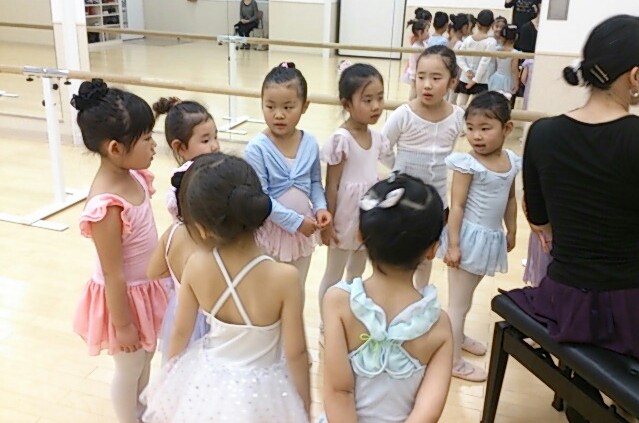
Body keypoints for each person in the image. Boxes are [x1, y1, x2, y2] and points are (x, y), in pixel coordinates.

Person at [505, 12, 639, 363]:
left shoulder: (543, 133)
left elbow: (539, 220)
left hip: (563, 300)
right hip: (629, 308)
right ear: (635, 76)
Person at [141, 153, 310, 423]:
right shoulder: (284, 278)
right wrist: (304, 408)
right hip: (264, 391)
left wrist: (168, 384)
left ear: (202, 228)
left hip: (207, 384)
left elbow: (181, 333)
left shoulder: (197, 267)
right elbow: (296, 353)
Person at [71, 79, 168, 423]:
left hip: (146, 290)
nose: (154, 145)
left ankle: (141, 413)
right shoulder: (107, 205)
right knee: (129, 366)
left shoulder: (135, 175)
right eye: (147, 138)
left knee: (145, 358)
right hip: (123, 299)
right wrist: (123, 325)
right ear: (115, 148)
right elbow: (112, 272)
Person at [321, 173, 453, 423]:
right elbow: (427, 413)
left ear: (360, 235)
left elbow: (339, 392)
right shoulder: (440, 326)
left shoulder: (338, 302)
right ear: (432, 249)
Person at [439, 91, 521, 382]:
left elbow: (510, 199)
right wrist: (454, 245)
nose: (476, 135)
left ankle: (458, 337)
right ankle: (451, 361)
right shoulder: (468, 164)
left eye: (485, 128)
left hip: (489, 239)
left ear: (507, 128)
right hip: (466, 240)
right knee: (458, 303)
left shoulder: (511, 161)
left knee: (467, 297)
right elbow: (457, 206)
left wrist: (512, 229)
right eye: (471, 128)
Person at [244, 62, 331, 297]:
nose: (279, 114)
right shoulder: (256, 149)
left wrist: (320, 207)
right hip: (271, 233)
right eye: (270, 106)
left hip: (303, 233)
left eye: (288, 107)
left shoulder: (310, 143)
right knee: (268, 292)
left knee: (296, 289)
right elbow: (261, 198)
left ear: (305, 106)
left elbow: (314, 182)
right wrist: (295, 222)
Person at [382, 45, 465, 289]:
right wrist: (399, 170)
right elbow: (382, 147)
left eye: (436, 78)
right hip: (402, 199)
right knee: (399, 252)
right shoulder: (404, 114)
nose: (427, 85)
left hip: (435, 201)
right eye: (421, 77)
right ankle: (395, 294)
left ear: (452, 82)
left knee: (427, 253)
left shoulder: (457, 116)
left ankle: (419, 296)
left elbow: (451, 154)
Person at [318, 63, 389, 332]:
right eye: (367, 100)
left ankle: (349, 315)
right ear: (347, 104)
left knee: (357, 272)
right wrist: (328, 223)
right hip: (344, 216)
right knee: (334, 273)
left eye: (379, 98)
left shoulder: (377, 137)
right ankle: (327, 323)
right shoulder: (342, 139)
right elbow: (332, 184)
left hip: (367, 215)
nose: (376, 106)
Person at [146, 166, 210, 364]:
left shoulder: (173, 232)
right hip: (206, 320)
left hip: (177, 310)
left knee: (178, 367)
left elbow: (153, 271)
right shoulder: (213, 245)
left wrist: (176, 274)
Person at [152, 97, 219, 220]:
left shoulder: (220, 168)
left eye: (215, 137)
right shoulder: (181, 185)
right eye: (205, 140)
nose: (215, 146)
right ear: (180, 147)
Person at [455, 10, 498, 107]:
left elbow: (459, 56)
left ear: (477, 23)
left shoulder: (468, 39)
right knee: (475, 107)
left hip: (467, 77)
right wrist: (475, 79)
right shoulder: (491, 42)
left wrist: (467, 70)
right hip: (480, 79)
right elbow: (484, 62)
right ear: (492, 24)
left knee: (460, 105)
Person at [401, 17, 430, 100]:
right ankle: (411, 104)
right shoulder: (415, 47)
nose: (428, 33)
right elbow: (412, 64)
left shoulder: (425, 45)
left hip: (422, 73)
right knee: (414, 92)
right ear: (420, 33)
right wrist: (413, 78)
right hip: (415, 75)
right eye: (427, 30)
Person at [488, 25, 521, 97]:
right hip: (508, 80)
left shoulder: (496, 49)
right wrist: (516, 83)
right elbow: (514, 70)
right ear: (516, 37)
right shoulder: (514, 53)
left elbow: (494, 65)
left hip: (496, 77)